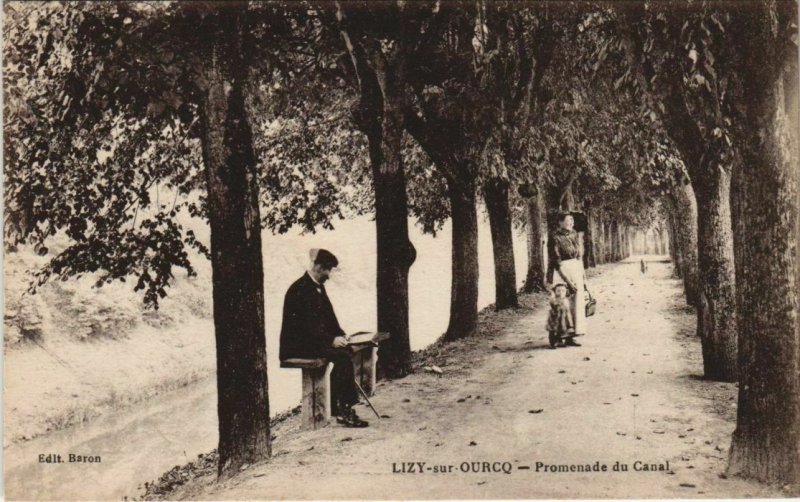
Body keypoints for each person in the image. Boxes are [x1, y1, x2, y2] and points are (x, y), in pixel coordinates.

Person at [279, 248, 368, 428]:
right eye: (328, 270)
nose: (329, 275)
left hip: (312, 341)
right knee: (342, 357)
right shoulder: (299, 290)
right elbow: (306, 328)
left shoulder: (318, 287)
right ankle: (344, 409)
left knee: (346, 350)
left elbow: (329, 318)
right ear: (319, 267)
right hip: (298, 345)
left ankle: (339, 405)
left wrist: (342, 335)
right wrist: (330, 341)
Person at [548, 212, 587, 346]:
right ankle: (556, 337)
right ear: (560, 222)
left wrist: (582, 274)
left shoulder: (574, 234)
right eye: (568, 220)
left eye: (572, 220)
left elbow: (578, 256)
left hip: (575, 270)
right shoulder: (554, 237)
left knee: (575, 305)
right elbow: (555, 262)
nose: (571, 222)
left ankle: (570, 336)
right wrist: (568, 282)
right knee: (561, 304)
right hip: (562, 272)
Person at [546, 283, 574, 349]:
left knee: (563, 329)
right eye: (558, 291)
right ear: (555, 292)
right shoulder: (554, 299)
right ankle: (552, 343)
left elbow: (567, 309)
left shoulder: (566, 299)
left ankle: (563, 341)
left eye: (563, 291)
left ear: (566, 292)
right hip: (555, 317)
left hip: (563, 317)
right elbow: (553, 304)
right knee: (553, 330)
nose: (561, 292)